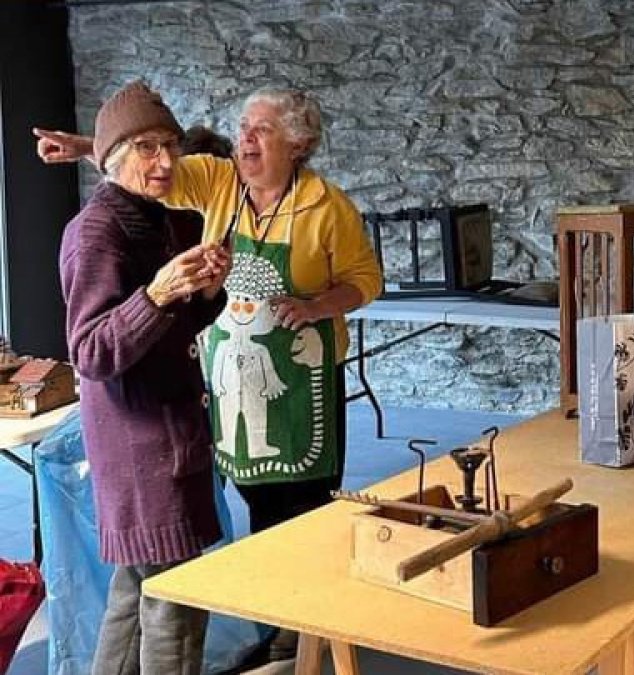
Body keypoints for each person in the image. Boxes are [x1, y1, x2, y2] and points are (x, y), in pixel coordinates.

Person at [38, 88, 382, 661]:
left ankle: (291, 639)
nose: (243, 139)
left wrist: (312, 306)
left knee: (295, 515)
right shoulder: (215, 184)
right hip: (215, 387)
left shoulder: (327, 207)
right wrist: (87, 148)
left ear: (296, 145)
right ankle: (275, 634)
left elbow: (365, 278)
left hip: (295, 381)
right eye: (243, 127)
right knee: (179, 569)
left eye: (261, 130)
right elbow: (139, 161)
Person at [57, 80, 231, 675]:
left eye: (170, 146)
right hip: (141, 444)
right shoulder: (96, 233)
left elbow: (179, 323)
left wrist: (205, 290)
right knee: (177, 598)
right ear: (112, 158)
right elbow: (91, 350)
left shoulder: (158, 218)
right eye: (148, 149)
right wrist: (157, 292)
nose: (165, 162)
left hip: (167, 434)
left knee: (136, 589)